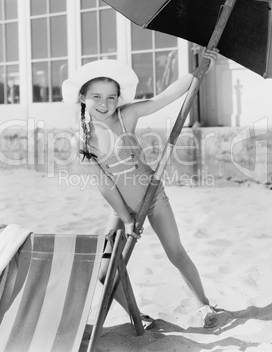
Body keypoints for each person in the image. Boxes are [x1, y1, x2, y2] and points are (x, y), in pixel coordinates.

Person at [62, 50, 219, 329]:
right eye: (96, 96)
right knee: (105, 270)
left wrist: (200, 70)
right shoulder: (80, 140)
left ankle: (203, 303)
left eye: (111, 96)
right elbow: (104, 182)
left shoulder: (126, 117)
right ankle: (137, 315)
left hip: (153, 197)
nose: (104, 103)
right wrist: (126, 219)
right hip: (120, 206)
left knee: (176, 253)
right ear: (83, 99)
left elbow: (165, 97)